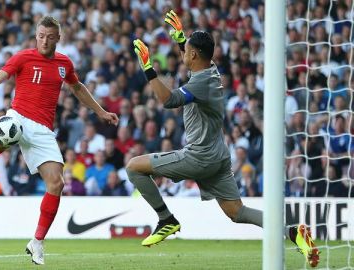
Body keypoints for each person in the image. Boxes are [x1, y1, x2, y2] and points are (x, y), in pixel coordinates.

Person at [127, 10, 319, 267]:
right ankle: (294, 233)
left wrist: (149, 69)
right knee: (236, 212)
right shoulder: (210, 70)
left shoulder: (200, 82)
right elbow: (193, 61)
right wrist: (181, 39)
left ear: (194, 55)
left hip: (199, 156)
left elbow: (169, 100)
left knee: (134, 167)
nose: (183, 55)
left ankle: (166, 219)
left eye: (186, 51)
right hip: (218, 154)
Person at [0, 16, 118, 265]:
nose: (44, 40)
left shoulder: (64, 63)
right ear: (36, 35)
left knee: (56, 183)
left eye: (50, 37)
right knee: (2, 137)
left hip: (42, 130)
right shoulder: (23, 57)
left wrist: (101, 112)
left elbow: (78, 89)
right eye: (41, 35)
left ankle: (37, 242)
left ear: (58, 38)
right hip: (18, 117)